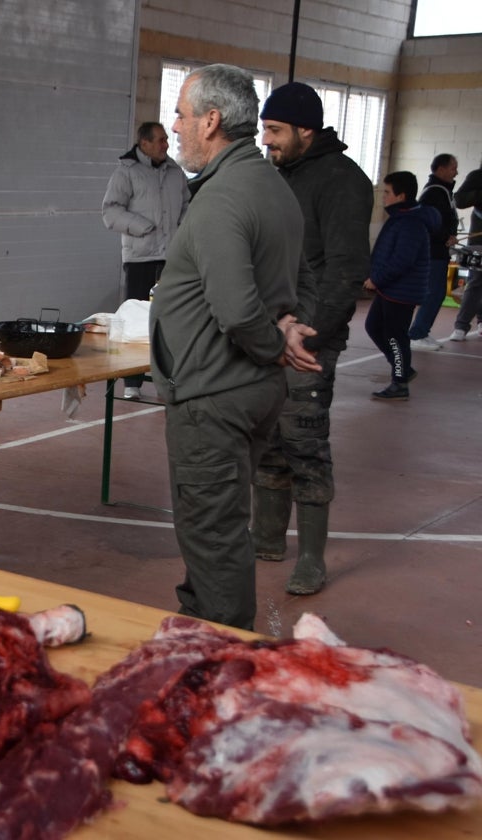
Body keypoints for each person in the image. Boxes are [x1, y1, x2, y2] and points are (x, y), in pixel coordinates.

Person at [150, 63, 318, 632]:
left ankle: (221, 659)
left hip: (215, 395)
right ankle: (198, 627)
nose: (173, 126)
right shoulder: (271, 186)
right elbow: (296, 285)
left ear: (212, 121)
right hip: (247, 390)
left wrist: (273, 343)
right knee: (216, 525)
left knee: (213, 534)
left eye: (180, 114)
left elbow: (238, 309)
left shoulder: (223, 197)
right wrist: (288, 330)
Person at [251, 82, 374, 597]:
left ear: (306, 129)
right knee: (268, 440)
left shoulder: (343, 181)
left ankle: (314, 560)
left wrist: (312, 334)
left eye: (275, 131)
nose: (266, 141)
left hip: (308, 337)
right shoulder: (279, 176)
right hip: (267, 332)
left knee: (305, 442)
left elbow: (347, 269)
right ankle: (269, 537)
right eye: (263, 130)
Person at [101, 121, 189, 399]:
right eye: (161, 139)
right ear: (145, 144)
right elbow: (110, 211)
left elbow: (188, 206)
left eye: (166, 139)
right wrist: (142, 226)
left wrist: (183, 233)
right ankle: (131, 384)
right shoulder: (125, 173)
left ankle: (169, 380)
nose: (166, 144)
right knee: (134, 320)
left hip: (171, 257)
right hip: (139, 258)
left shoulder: (176, 172)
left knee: (171, 319)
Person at [363, 171, 441, 401]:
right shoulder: (401, 217)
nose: (383, 197)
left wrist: (376, 279)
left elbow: (402, 261)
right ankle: (403, 370)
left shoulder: (411, 222)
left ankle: (400, 383)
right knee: (374, 327)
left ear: (401, 195)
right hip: (391, 289)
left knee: (395, 336)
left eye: (387, 192)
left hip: (401, 291)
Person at [408, 153, 459, 350]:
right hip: (432, 251)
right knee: (434, 292)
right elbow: (429, 222)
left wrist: (450, 235)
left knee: (437, 292)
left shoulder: (444, 192)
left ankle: (422, 332)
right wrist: (445, 236)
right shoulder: (433, 192)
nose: (456, 171)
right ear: (440, 169)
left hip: (440, 250)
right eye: (453, 167)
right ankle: (416, 334)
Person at [449, 157, 482, 341]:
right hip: (479, 238)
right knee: (476, 281)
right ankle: (461, 326)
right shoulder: (477, 176)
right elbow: (459, 199)